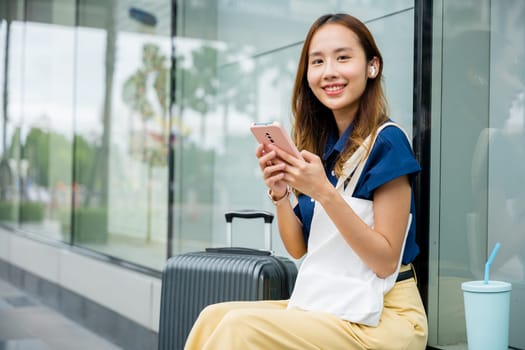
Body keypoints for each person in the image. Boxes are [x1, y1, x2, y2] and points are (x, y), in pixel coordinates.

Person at [184, 13, 428, 349]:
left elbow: (385, 262)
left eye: (343, 57)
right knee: (213, 316)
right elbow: (299, 248)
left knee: (241, 327)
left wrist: (324, 193)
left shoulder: (387, 142)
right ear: (307, 74)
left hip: (386, 315)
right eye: (318, 61)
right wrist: (281, 193)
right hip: (334, 301)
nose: (329, 71)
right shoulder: (322, 146)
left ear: (372, 66)